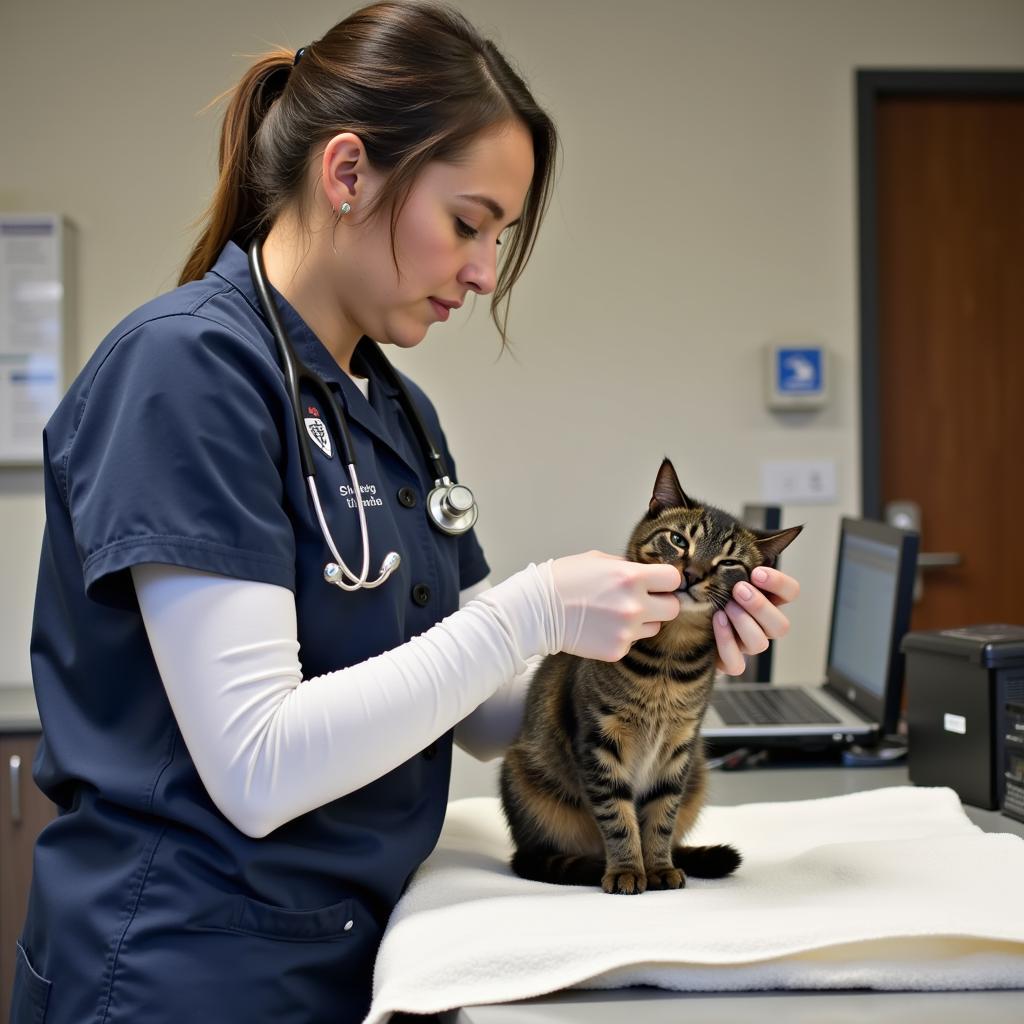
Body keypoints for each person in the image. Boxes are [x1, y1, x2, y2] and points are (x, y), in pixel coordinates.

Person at [11, 3, 799, 1022]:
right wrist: (526, 610)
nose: (482, 272)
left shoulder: (394, 407)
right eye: (467, 224)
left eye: (497, 237)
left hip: (354, 948)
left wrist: (640, 650)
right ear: (347, 174)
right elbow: (256, 765)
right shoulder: (187, 374)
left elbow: (473, 710)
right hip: (187, 971)